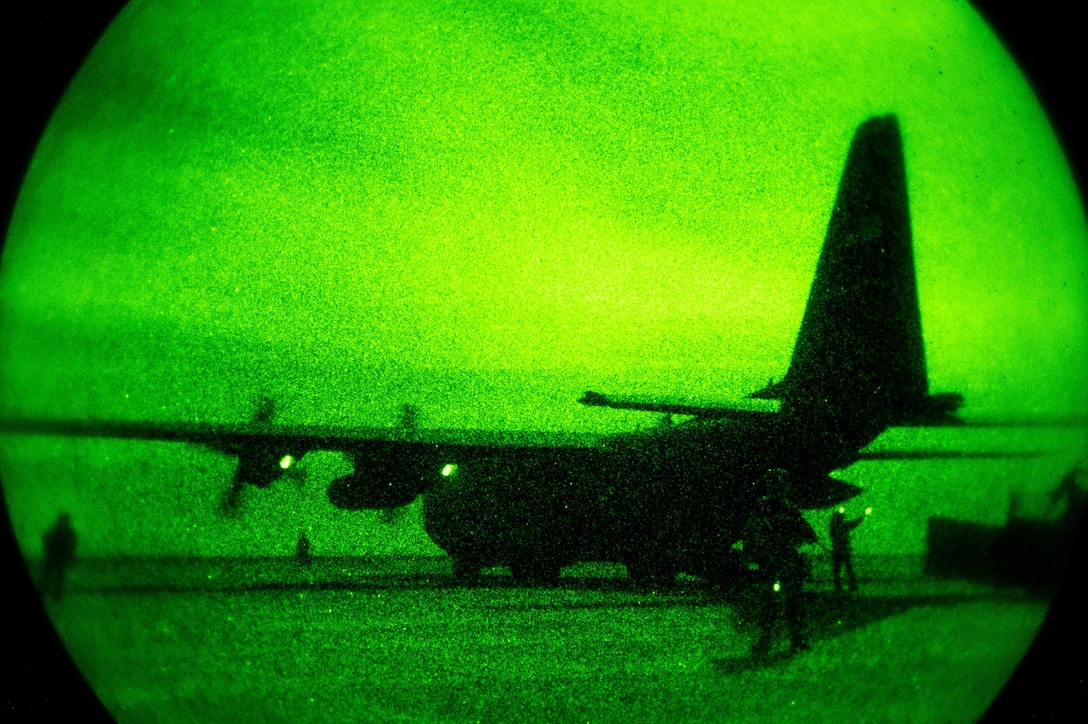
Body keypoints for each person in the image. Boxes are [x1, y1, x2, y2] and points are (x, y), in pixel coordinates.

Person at [741, 469, 816, 659]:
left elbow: (807, 531)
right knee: (773, 603)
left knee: (789, 602)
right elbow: (751, 533)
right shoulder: (766, 508)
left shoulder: (785, 508)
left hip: (782, 560)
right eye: (776, 484)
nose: (779, 488)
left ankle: (788, 639)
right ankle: (770, 640)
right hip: (773, 560)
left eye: (780, 484)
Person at [40, 513, 77, 601]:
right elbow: (45, 538)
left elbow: (72, 544)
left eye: (64, 520)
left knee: (56, 577)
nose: (64, 522)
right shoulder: (56, 530)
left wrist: (69, 555)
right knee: (50, 576)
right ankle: (48, 594)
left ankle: (55, 595)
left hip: (56, 558)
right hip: (53, 557)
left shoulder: (65, 531)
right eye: (63, 520)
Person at [830, 506, 865, 592]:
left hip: (837, 551)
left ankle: (839, 587)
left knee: (837, 570)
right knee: (847, 569)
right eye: (842, 517)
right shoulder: (843, 526)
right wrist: (863, 515)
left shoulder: (833, 527)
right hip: (843, 550)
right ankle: (851, 585)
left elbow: (854, 523)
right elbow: (855, 523)